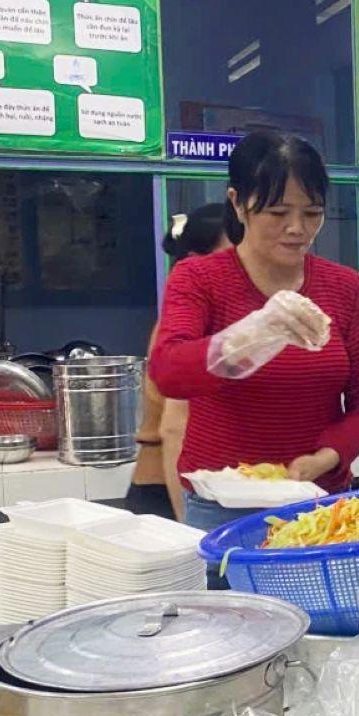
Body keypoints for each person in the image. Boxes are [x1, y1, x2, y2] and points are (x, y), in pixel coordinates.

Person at [150, 129, 359, 533]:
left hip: (318, 501)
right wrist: (255, 330)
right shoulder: (198, 279)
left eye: (312, 212)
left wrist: (327, 457)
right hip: (222, 507)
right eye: (277, 213)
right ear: (237, 204)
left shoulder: (345, 288)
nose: (297, 228)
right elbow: (169, 373)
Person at [124, 203, 232, 519]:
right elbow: (175, 429)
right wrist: (188, 523)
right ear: (200, 262)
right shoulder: (190, 329)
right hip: (169, 493)